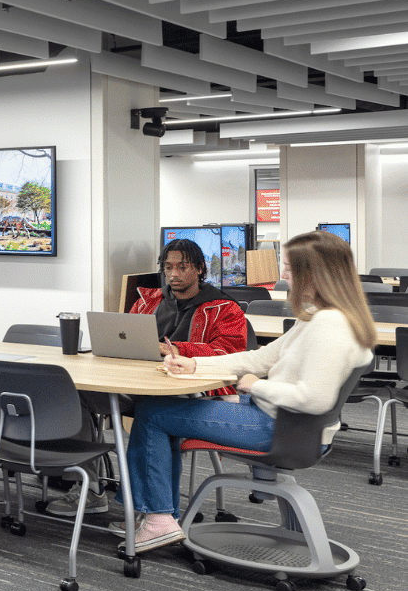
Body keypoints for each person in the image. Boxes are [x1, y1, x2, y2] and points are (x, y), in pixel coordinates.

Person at [125, 231, 374, 552]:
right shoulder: (321, 318)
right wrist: (195, 365)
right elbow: (259, 357)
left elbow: (315, 399)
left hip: (282, 428)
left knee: (154, 414)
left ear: (313, 274)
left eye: (288, 268)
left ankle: (158, 517)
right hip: (284, 422)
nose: (283, 276)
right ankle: (158, 514)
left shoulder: (329, 325)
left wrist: (259, 386)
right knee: (165, 412)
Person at [46, 238, 249, 517]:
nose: (174, 274)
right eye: (168, 267)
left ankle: (151, 510)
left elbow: (229, 352)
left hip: (190, 392)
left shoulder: (223, 308)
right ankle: (90, 488)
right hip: (139, 384)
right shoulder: (148, 301)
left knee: (152, 412)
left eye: (183, 267)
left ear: (201, 269)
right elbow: (128, 341)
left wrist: (175, 349)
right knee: (73, 396)